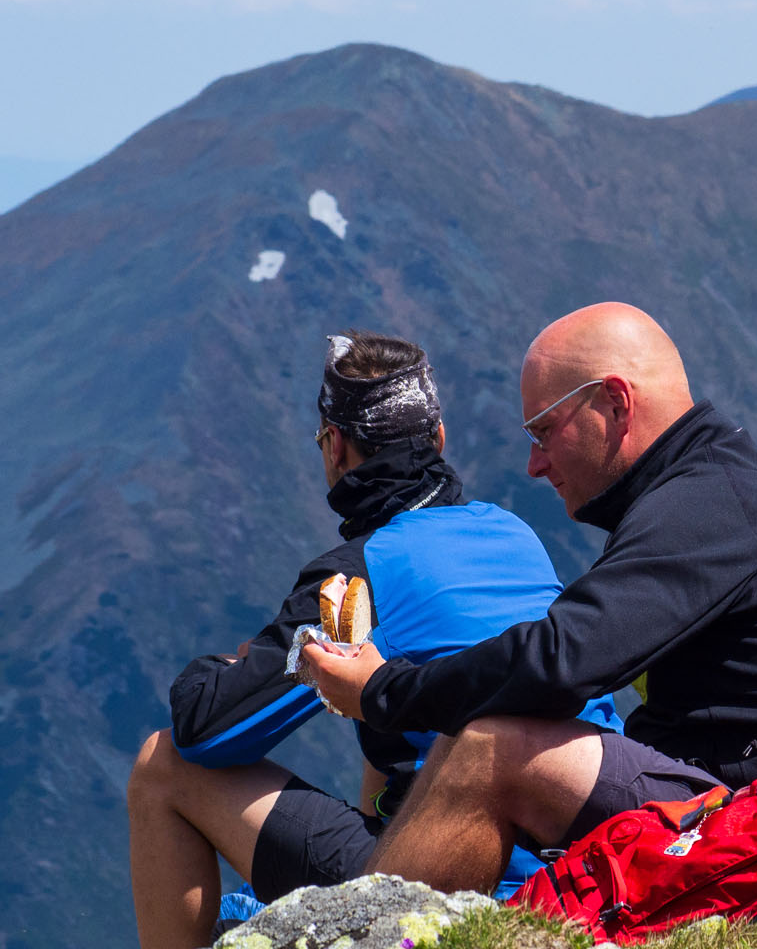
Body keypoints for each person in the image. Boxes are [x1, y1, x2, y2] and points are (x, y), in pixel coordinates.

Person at [301, 302, 757, 895]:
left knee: (493, 744)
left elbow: (556, 664)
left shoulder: (703, 508)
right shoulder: (707, 489)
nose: (534, 464)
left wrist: (382, 692)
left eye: (544, 431)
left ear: (616, 403)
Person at [127, 331, 620, 949]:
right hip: (591, 859)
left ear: (335, 446)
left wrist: (223, 668)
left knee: (162, 764)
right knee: (385, 710)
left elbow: (209, 730)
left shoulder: (358, 577)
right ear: (438, 439)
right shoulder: (510, 530)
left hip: (469, 881)